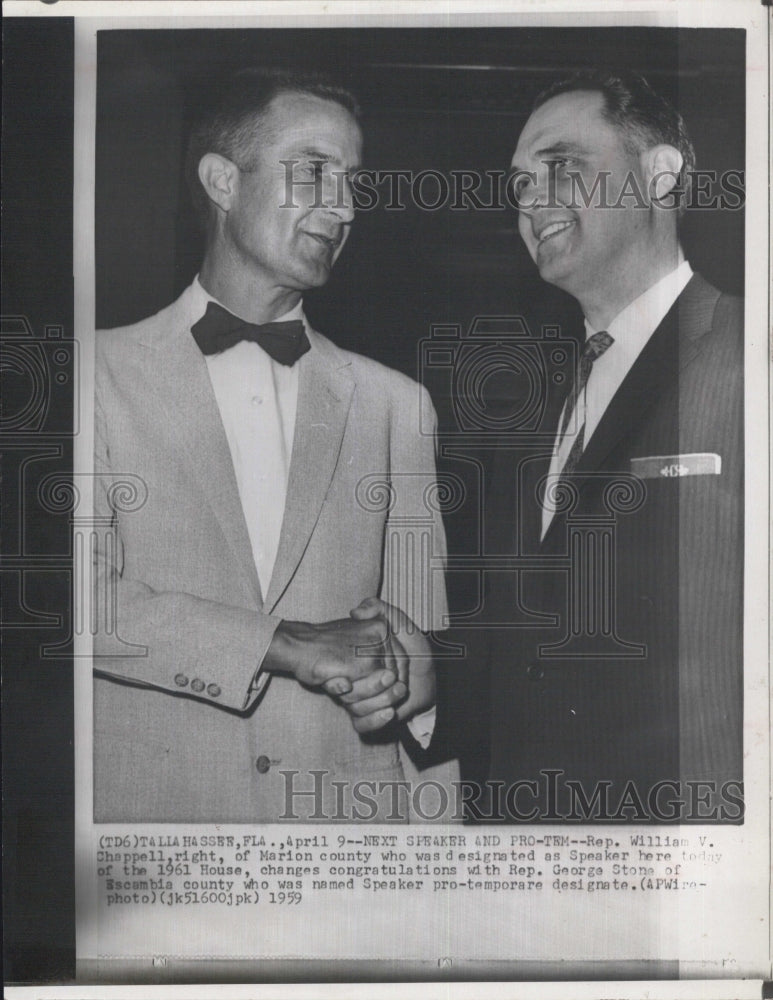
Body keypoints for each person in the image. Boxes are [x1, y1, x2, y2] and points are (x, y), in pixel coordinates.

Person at [369, 69, 744, 822]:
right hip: (530, 872)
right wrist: (431, 669)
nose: (530, 201)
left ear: (660, 175)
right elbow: (535, 636)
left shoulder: (749, 352)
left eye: (560, 166)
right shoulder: (535, 402)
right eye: (517, 186)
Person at [92, 68, 451, 823]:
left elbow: (421, 648)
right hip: (152, 836)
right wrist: (288, 644)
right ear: (222, 180)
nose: (345, 207)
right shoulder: (87, 376)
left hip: (346, 844)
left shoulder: (397, 405)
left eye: (352, 182)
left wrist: (416, 684)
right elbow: (70, 601)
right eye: (315, 172)